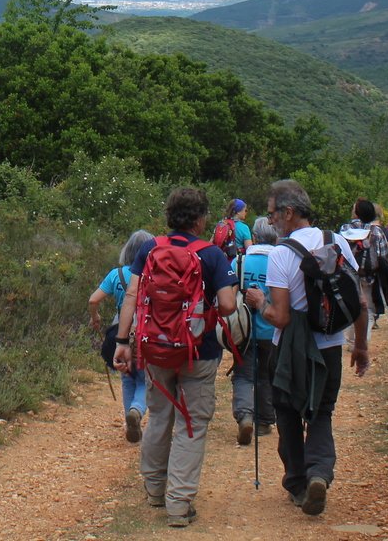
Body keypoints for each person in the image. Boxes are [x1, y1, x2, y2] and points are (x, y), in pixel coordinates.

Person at [113, 187, 238, 529]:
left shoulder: (150, 248)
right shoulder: (212, 255)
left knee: (159, 416)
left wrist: (123, 342)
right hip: (199, 352)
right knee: (191, 423)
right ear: (200, 219)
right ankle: (179, 504)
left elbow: (132, 294)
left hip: (155, 349)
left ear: (170, 216)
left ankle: (155, 489)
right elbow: (228, 306)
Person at [243, 179, 368, 518]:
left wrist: (259, 303)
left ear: (288, 212)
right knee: (321, 412)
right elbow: (359, 302)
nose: (270, 221)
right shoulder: (336, 241)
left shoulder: (281, 254)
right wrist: (360, 346)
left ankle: (298, 484)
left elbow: (281, 317)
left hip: (289, 351)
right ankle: (319, 473)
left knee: (287, 412)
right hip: (330, 347)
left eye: (272, 214)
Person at [89, 229, 155, 443]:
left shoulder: (116, 275)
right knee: (145, 379)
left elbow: (93, 300)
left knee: (127, 378)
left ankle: (130, 420)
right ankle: (137, 410)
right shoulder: (154, 275)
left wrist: (95, 317)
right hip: (146, 333)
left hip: (122, 332)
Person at [228, 215, 277, 447]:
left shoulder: (239, 262)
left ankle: (245, 415)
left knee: (244, 374)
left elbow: (229, 295)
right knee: (266, 375)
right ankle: (265, 421)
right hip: (272, 328)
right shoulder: (280, 261)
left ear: (254, 237)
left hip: (244, 330)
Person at [345, 199, 388, 326]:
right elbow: (383, 257)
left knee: (351, 311)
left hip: (348, 277)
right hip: (369, 277)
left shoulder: (344, 229)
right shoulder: (376, 231)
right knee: (367, 311)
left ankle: (351, 338)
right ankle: (363, 337)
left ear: (355, 213)